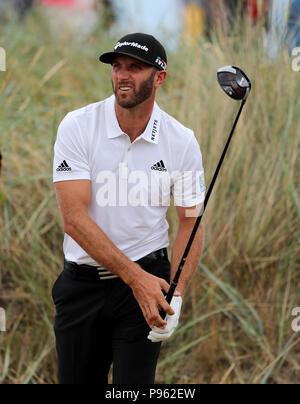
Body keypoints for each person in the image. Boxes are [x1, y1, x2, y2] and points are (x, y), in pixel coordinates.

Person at [52, 32, 206, 385]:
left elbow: (190, 221)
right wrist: (134, 279)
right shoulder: (77, 126)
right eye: (117, 66)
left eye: (135, 68)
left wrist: (177, 291)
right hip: (83, 286)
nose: (122, 75)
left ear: (159, 77)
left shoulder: (181, 141)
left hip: (148, 284)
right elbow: (74, 220)